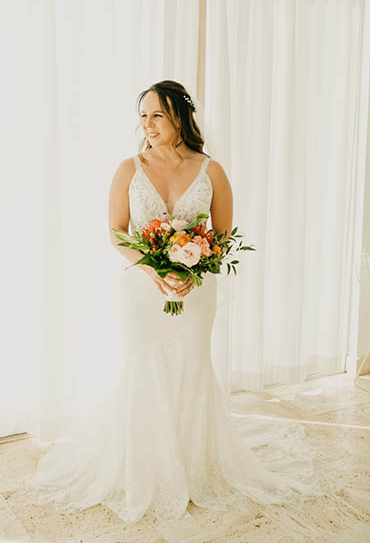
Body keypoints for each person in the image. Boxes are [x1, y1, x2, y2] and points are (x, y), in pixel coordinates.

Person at [20, 80, 324, 525]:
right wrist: (156, 269)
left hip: (196, 292)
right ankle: (145, 467)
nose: (147, 124)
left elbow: (221, 238)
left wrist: (192, 268)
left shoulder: (211, 170)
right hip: (143, 290)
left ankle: (194, 466)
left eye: (157, 115)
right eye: (142, 116)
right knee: (146, 368)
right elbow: (117, 233)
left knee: (191, 366)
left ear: (180, 117)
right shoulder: (129, 167)